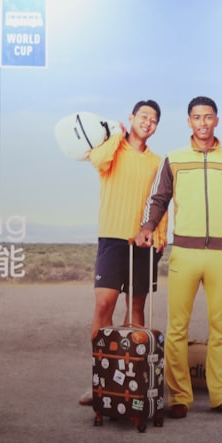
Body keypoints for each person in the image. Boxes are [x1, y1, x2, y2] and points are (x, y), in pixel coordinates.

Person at [135, 96, 222, 418]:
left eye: (208, 117)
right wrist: (148, 226)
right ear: (189, 122)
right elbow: (158, 198)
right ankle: (180, 396)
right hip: (184, 253)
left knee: (221, 329)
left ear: (216, 120)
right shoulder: (174, 159)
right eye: (196, 117)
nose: (202, 123)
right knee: (177, 328)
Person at [79, 100, 166, 407]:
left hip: (143, 241)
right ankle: (100, 380)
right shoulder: (112, 150)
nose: (148, 122)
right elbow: (96, 160)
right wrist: (117, 135)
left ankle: (133, 380)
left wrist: (161, 233)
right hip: (112, 239)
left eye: (153, 120)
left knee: (136, 310)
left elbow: (161, 200)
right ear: (132, 118)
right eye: (143, 116)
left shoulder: (158, 162)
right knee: (104, 303)